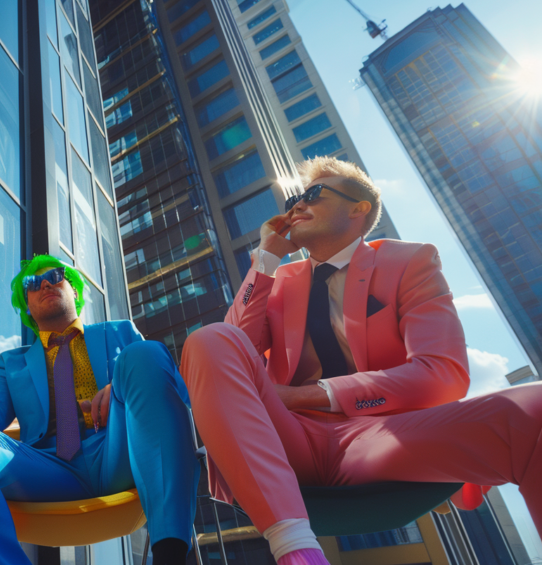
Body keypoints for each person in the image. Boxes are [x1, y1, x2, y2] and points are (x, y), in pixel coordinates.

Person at [180, 156, 542, 565]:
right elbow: (233, 352)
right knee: (210, 338)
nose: (297, 205)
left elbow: (442, 375)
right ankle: (296, 550)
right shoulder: (277, 282)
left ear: (359, 208)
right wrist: (266, 258)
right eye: (297, 197)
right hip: (284, 439)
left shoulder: (410, 261)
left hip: (378, 438)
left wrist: (303, 396)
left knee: (535, 409)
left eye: (314, 195)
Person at [0, 255, 200, 565]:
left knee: (144, 353)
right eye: (32, 283)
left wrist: (118, 387)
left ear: (75, 290)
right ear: (26, 306)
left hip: (120, 452)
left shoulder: (120, 333)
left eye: (54, 275)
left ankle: (171, 554)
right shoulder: (12, 363)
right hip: (46, 469)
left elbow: (168, 393)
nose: (45, 283)